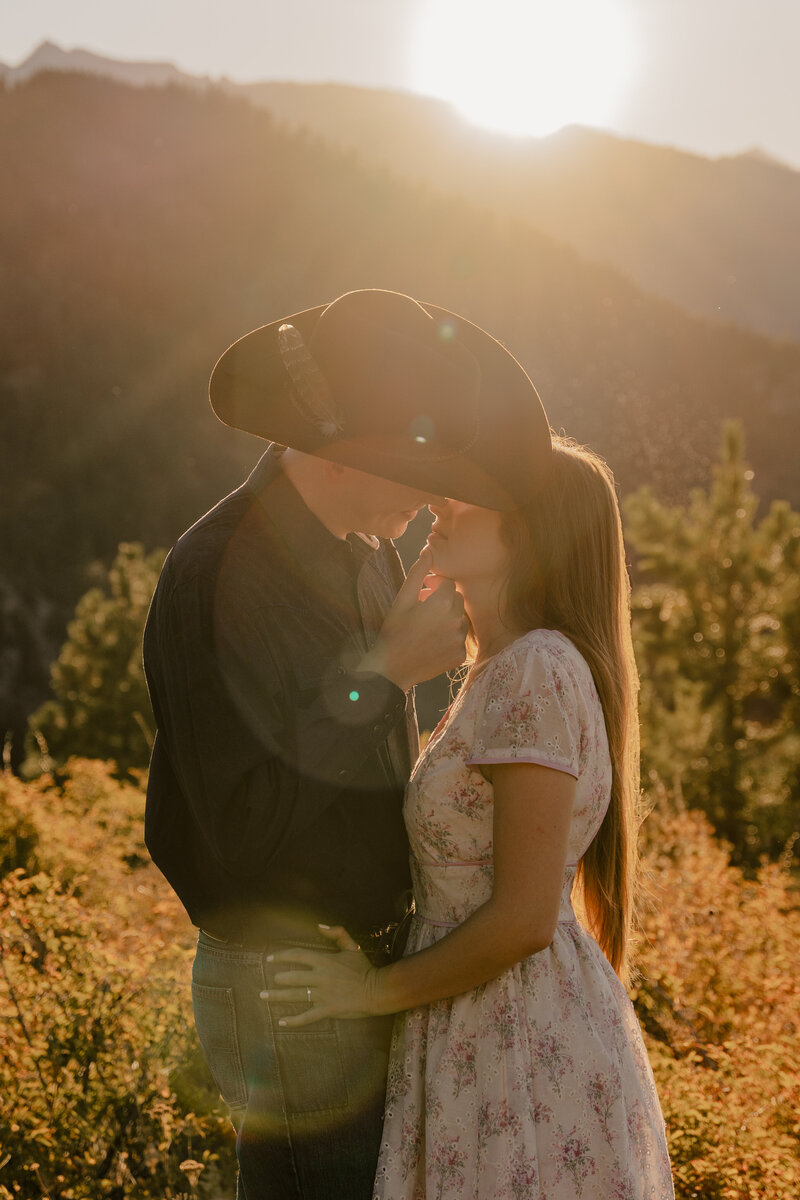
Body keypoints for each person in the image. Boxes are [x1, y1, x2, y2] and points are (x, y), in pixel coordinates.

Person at [142, 288, 551, 1199]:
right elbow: (241, 822)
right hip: (285, 984)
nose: (437, 493)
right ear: (337, 454)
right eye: (419, 465)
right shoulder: (219, 573)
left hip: (357, 969)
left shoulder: (368, 548)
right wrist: (385, 676)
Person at [269, 435, 675, 1198]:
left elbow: (523, 918)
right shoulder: (500, 667)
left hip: (512, 1031)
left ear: (534, 530)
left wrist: (370, 992)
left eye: (476, 492)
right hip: (478, 1019)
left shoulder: (534, 669)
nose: (443, 500)